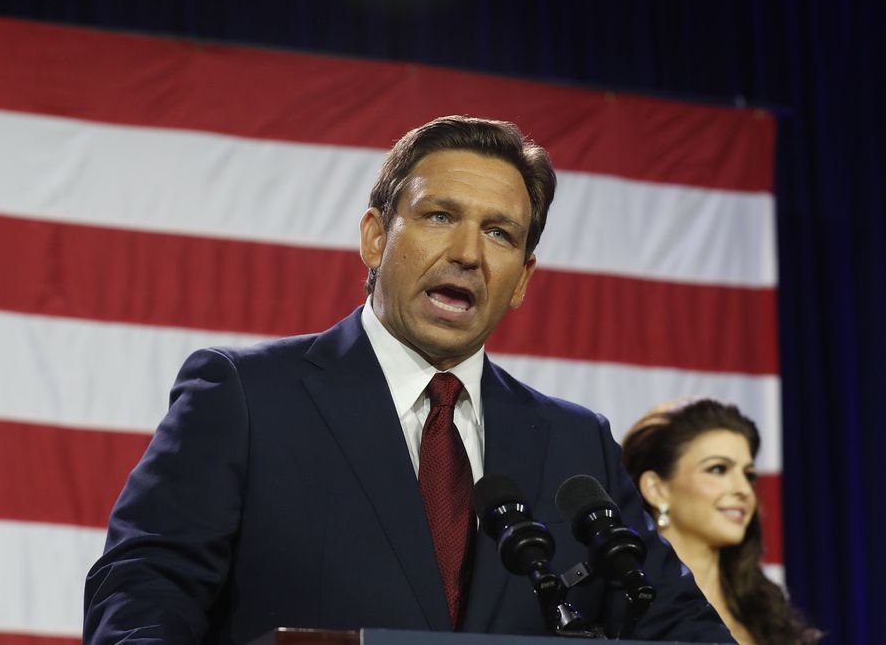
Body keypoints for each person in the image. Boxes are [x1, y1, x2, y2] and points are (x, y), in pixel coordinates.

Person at [84, 116, 733, 643]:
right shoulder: (247, 396)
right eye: (438, 216)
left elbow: (671, 621)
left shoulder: (573, 442)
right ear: (374, 236)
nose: (468, 254)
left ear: (523, 279)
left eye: (499, 233)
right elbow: (146, 590)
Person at [621, 398, 822, 644]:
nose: (744, 490)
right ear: (656, 489)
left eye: (748, 475)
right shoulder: (624, 608)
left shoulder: (769, 615)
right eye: (718, 469)